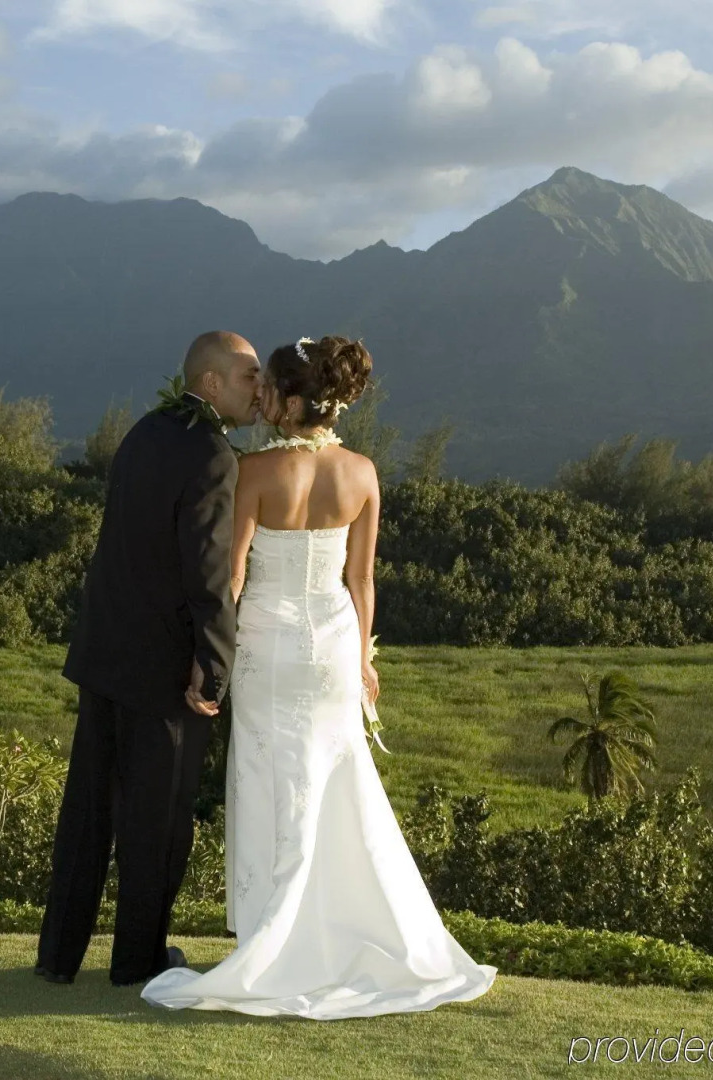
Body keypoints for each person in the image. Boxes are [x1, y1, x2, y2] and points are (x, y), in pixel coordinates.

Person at [140, 335, 497, 1018]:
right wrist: (362, 657)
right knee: (333, 778)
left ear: (293, 399)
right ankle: (338, 931)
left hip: (267, 645)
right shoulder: (361, 472)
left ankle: (272, 936)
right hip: (333, 644)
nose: (262, 397)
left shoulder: (254, 470)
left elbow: (233, 575)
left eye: (269, 387)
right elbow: (360, 580)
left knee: (272, 777)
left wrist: (206, 657)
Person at [35, 330, 262, 986]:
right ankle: (135, 961)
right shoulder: (213, 455)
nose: (258, 388)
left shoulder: (142, 431)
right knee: (156, 823)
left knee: (87, 815)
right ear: (212, 383)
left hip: (103, 652)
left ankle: (57, 957)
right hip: (162, 670)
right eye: (248, 376)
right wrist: (212, 663)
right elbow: (208, 574)